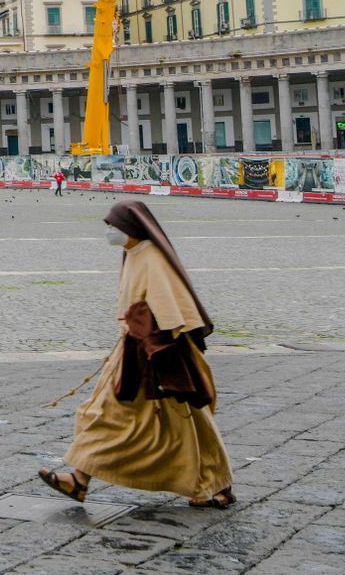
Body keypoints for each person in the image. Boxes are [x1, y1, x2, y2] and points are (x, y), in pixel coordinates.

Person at [38, 201, 233, 508]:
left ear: (130, 230)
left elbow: (170, 308)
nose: (108, 233)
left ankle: (216, 484)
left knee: (188, 421)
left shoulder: (152, 258)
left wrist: (157, 346)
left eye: (112, 228)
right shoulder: (132, 254)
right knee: (103, 412)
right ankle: (79, 478)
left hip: (161, 354)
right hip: (133, 352)